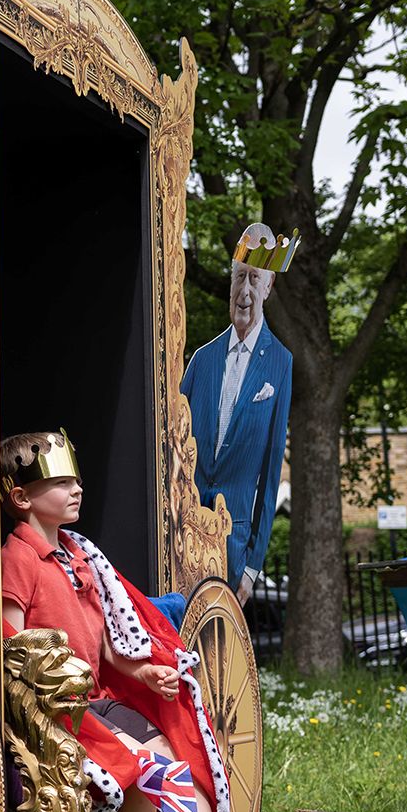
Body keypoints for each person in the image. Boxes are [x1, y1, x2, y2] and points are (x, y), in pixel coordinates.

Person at [1, 429, 301, 812]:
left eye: (77, 480)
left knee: (176, 761)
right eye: (61, 481)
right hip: (58, 708)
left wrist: (142, 670)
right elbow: (13, 642)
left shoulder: (79, 557)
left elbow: (107, 641)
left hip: (97, 696)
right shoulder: (19, 558)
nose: (76, 490)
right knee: (147, 769)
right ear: (22, 497)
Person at [181, 236, 293, 600]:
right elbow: (174, 448)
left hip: (234, 545)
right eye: (239, 277)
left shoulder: (280, 363)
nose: (244, 290)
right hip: (185, 536)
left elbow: (272, 472)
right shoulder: (202, 359)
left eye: (254, 279)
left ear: (268, 285)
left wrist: (252, 565)